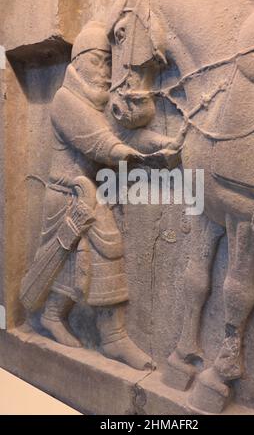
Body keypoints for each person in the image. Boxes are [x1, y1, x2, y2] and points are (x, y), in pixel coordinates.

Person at [20, 21, 181, 370]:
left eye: (109, 62)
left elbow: (122, 134)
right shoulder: (66, 100)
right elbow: (98, 141)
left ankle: (82, 327)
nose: (105, 70)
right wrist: (137, 157)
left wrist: (159, 144)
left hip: (89, 194)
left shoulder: (98, 103)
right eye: (97, 61)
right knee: (74, 259)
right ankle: (104, 335)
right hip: (68, 195)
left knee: (77, 262)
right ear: (76, 62)